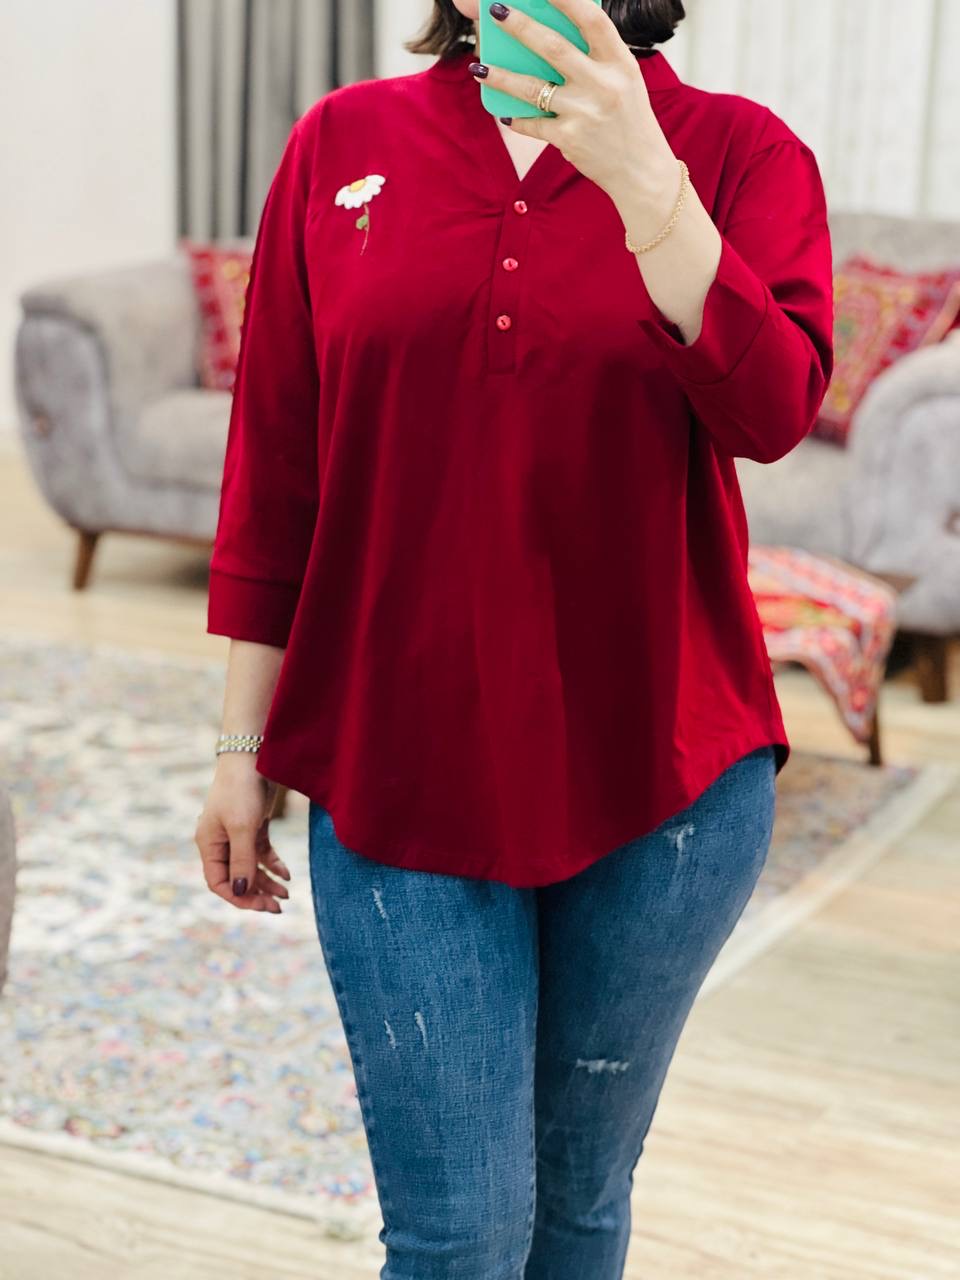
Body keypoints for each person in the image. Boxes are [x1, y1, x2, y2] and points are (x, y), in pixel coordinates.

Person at [195, 0, 834, 1275]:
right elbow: (275, 468)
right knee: (461, 1234)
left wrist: (645, 179)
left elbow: (773, 413)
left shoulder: (741, 152)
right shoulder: (339, 143)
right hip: (395, 766)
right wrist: (238, 746)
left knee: (580, 1199)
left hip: (667, 784)